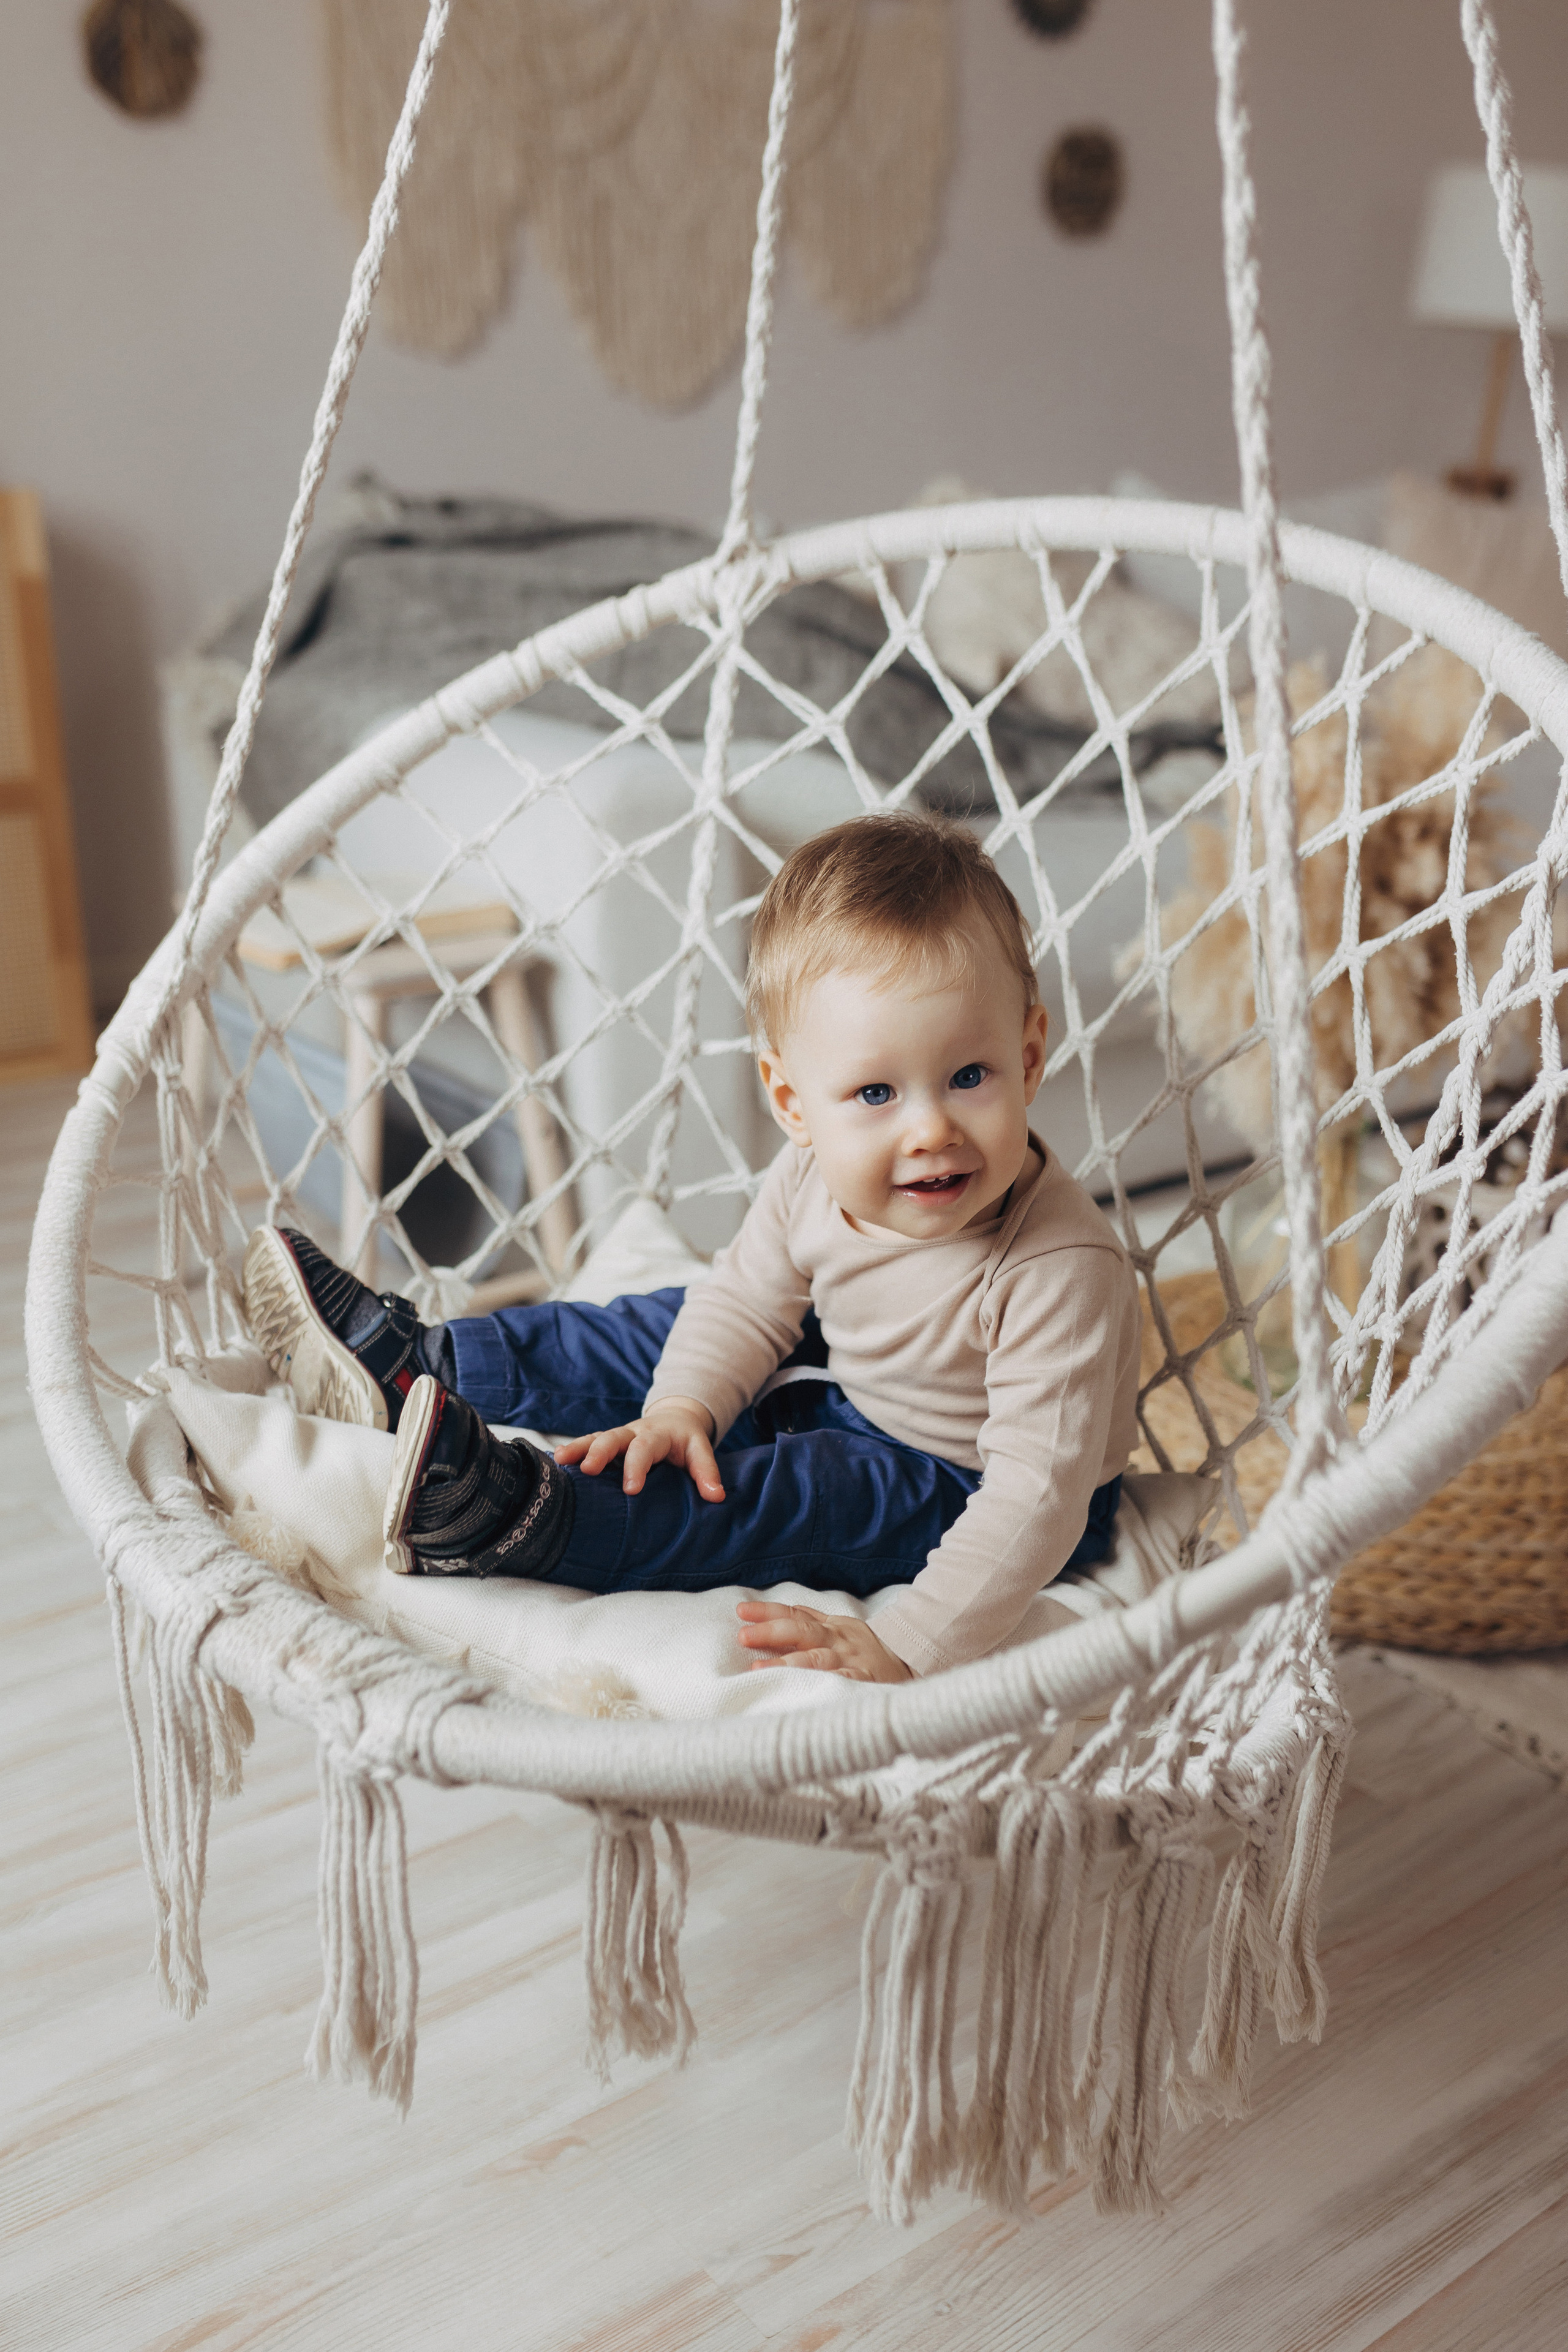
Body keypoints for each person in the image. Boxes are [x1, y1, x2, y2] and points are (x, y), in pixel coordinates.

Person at [244, 811, 1142, 1684]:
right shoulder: (811, 1176)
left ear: (1028, 1059)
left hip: (956, 1475)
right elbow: (747, 1302)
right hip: (844, 1364)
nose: (930, 1129)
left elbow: (1037, 1497)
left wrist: (910, 1641)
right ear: (794, 1105)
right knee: (662, 1327)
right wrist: (682, 1408)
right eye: (876, 1093)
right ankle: (416, 1363)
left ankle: (525, 1516)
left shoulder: (1058, 1270)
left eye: (970, 1077)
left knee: (788, 1492)